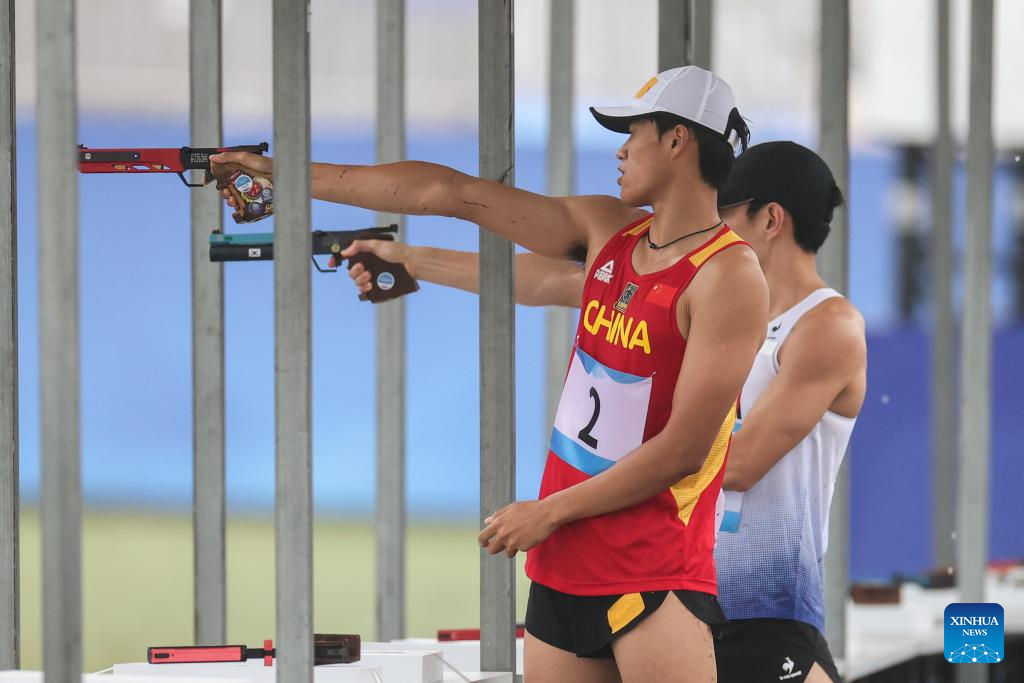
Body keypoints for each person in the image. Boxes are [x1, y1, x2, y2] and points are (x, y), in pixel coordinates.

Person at [212, 66, 768, 682]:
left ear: (677, 140)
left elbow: (685, 449)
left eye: (633, 131)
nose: (620, 148)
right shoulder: (610, 230)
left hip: (652, 569)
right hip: (562, 565)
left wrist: (550, 511)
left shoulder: (729, 275)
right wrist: (284, 174)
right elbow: (450, 194)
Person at [343, 141, 864, 683]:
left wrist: (589, 487)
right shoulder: (695, 290)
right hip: (673, 582)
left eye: (726, 210)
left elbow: (736, 462)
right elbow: (545, 280)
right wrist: (411, 262)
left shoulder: (825, 326)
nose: (709, 222)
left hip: (759, 606)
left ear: (771, 220)